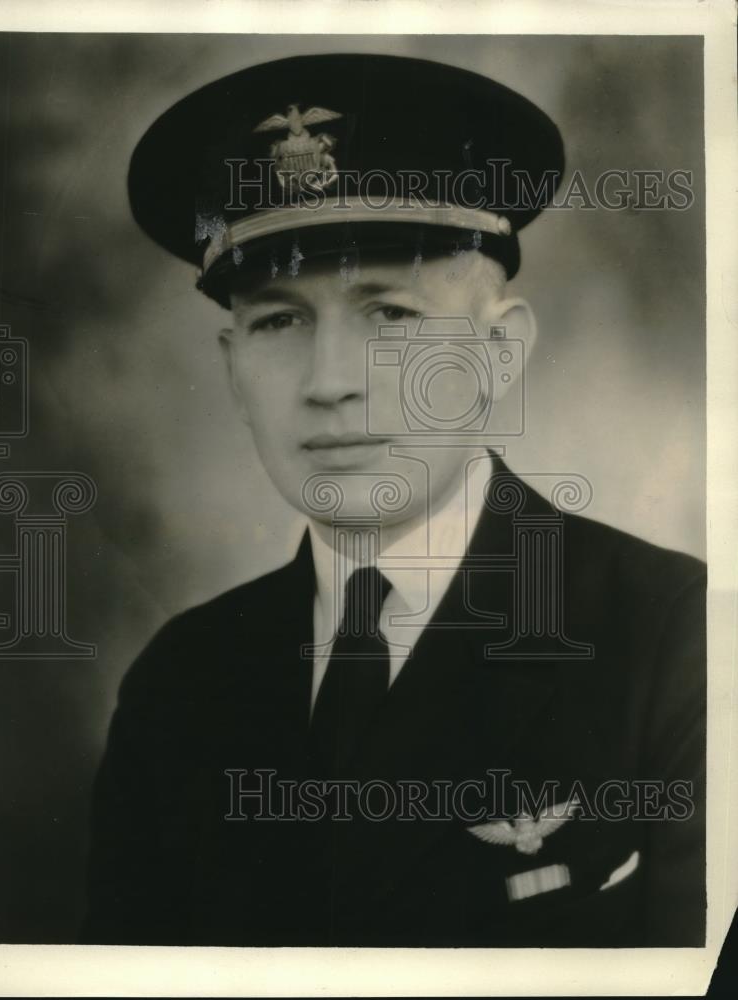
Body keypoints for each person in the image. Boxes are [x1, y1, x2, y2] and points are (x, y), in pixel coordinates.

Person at [82, 53, 705, 947]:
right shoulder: (179, 684)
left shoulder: (678, 642)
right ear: (230, 369)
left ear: (498, 354)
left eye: (391, 316)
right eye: (278, 321)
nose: (331, 383)